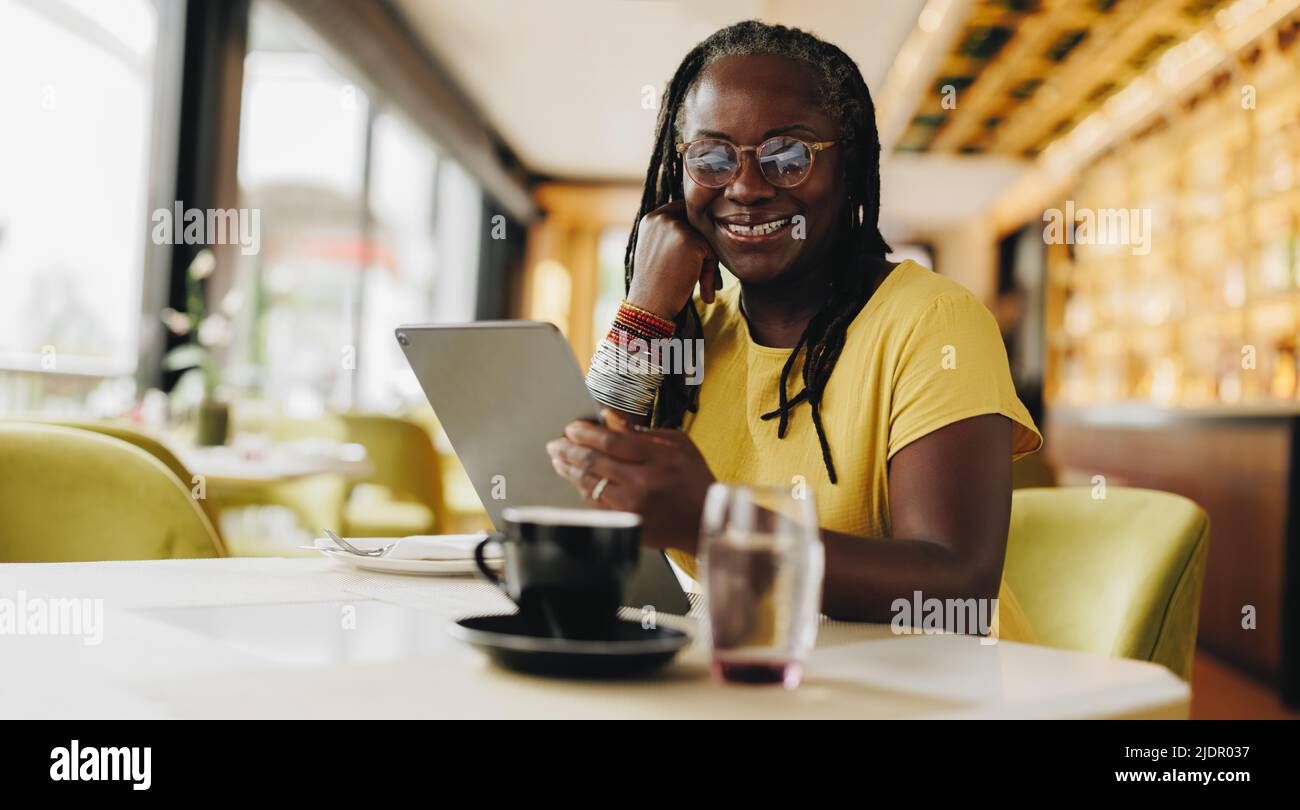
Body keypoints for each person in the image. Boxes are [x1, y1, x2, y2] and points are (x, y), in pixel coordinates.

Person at [546, 20, 1042, 639]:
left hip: (938, 690)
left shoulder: (933, 321)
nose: (747, 187)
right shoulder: (690, 338)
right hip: (755, 674)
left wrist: (717, 523)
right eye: (713, 157)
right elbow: (582, 506)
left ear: (850, 163)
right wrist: (643, 307)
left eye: (787, 156)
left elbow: (957, 586)